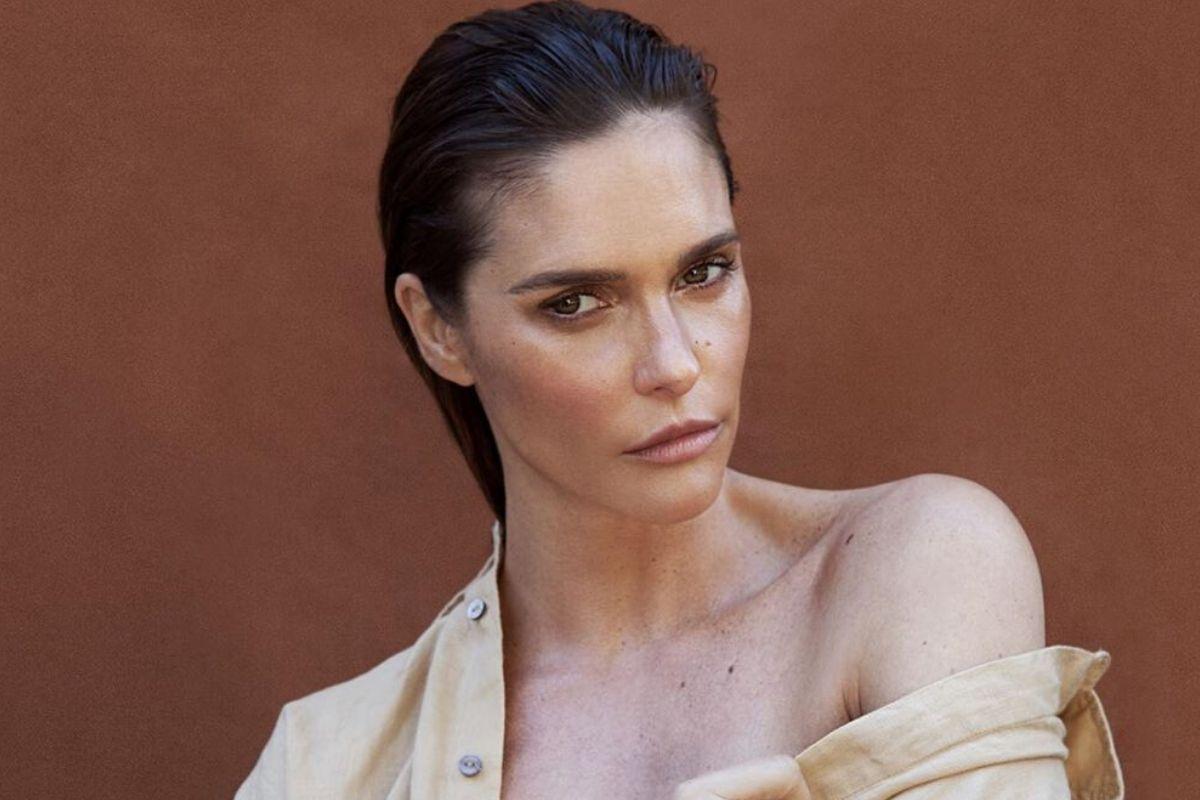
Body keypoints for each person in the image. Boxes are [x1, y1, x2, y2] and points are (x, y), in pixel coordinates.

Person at [234, 1, 1123, 797]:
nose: (672, 364)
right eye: (575, 304)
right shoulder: (326, 767)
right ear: (439, 330)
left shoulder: (915, 565)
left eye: (704, 273)